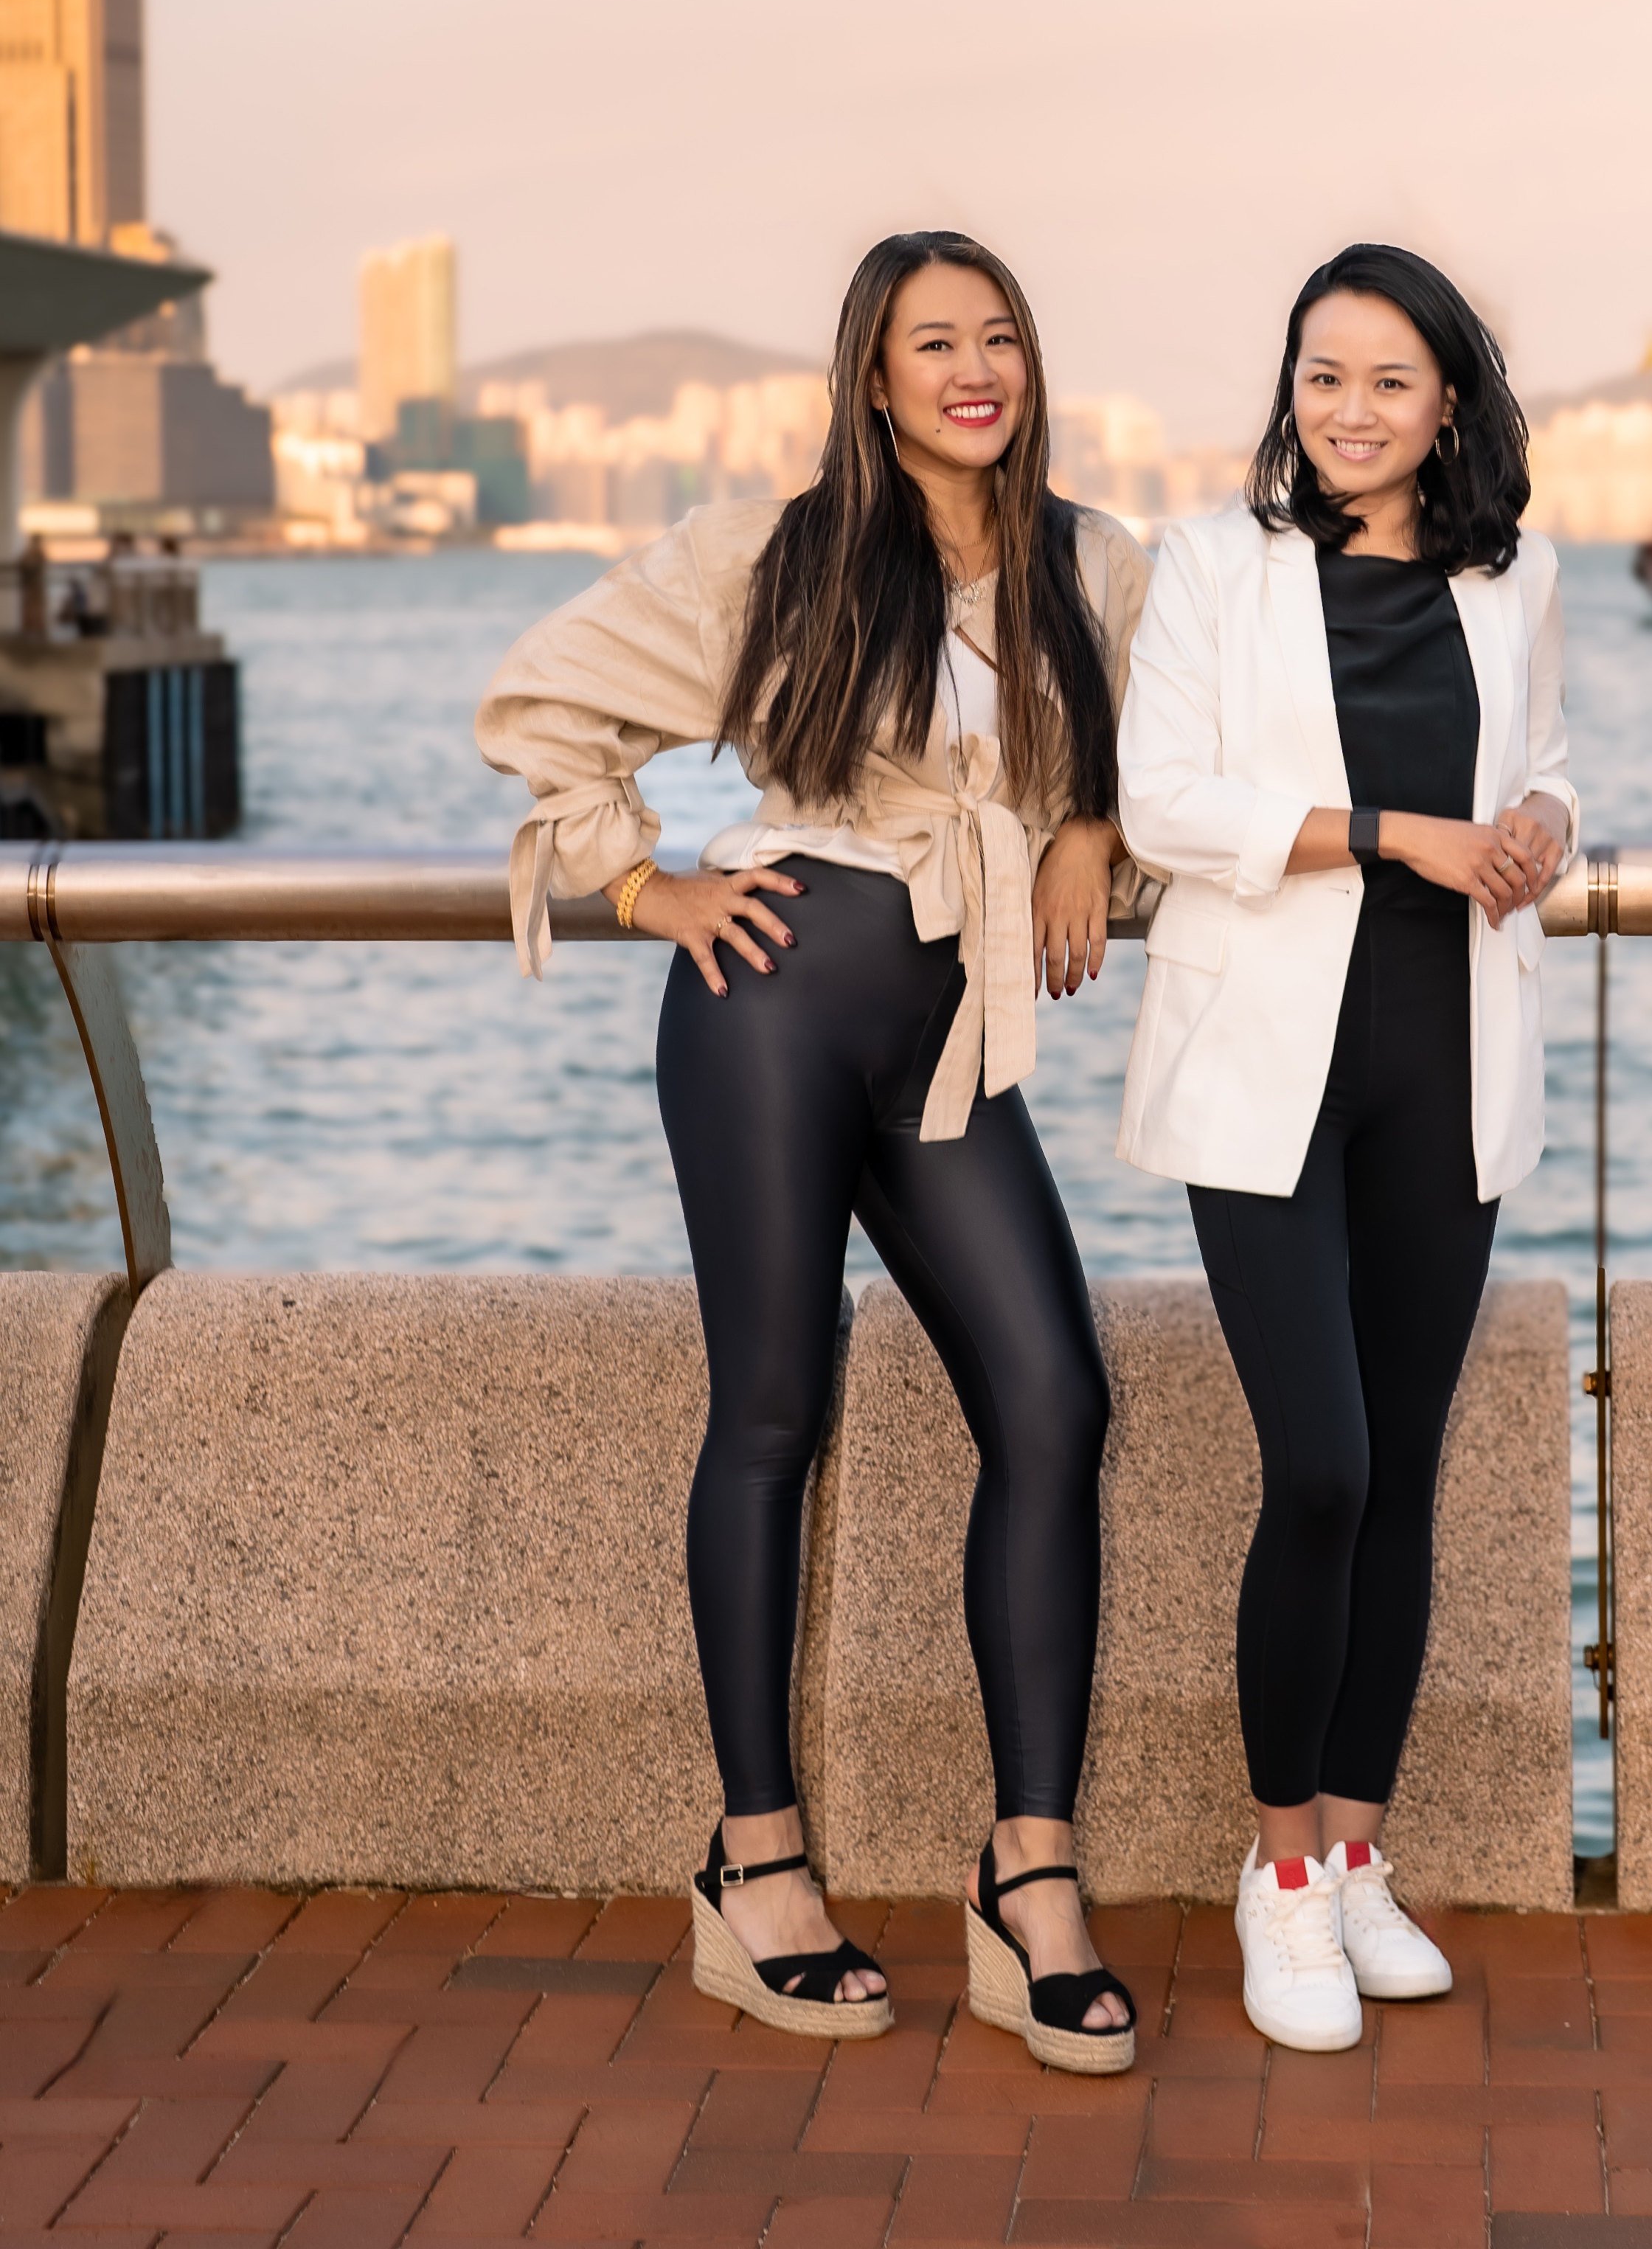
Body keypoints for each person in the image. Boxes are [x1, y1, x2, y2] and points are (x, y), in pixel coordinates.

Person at [476, 232, 1147, 2075]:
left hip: (952, 1048)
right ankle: (755, 1864)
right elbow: (544, 700)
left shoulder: (1095, 563)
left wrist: (1088, 821)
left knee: (1057, 1399)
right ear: (873, 374)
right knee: (771, 1410)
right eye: (934, 341)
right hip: (767, 1010)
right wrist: (644, 874)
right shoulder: (771, 553)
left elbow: (1172, 766)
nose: (974, 367)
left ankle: (1030, 1876)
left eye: (999, 332)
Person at [1114, 243, 1575, 2052]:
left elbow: (1548, 765)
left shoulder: (1514, 573)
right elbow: (1164, 800)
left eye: (1388, 380)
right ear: (1290, 391)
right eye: (1323, 376)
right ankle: (1279, 1867)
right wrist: (1404, 831)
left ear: (1449, 397)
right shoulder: (1218, 566)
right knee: (1316, 1462)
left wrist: (1533, 815)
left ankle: (1360, 1843)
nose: (1351, 410)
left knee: (1400, 1472)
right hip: (1265, 1076)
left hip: (1446, 1069)